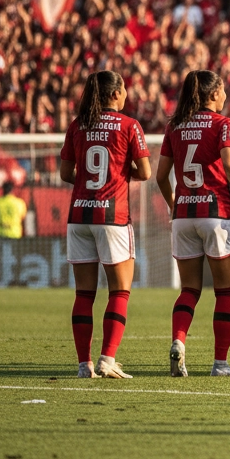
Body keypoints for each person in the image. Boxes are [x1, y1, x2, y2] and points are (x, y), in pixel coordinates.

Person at [156, 70, 230, 378]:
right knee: (224, 292)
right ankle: (220, 364)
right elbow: (229, 163)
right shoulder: (223, 124)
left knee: (189, 289)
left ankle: (178, 341)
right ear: (213, 94)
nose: (226, 95)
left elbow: (161, 176)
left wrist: (174, 205)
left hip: (183, 216)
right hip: (216, 214)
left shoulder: (174, 126)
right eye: (223, 90)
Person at [59, 71, 151, 379]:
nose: (126, 95)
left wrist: (90, 180)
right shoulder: (129, 125)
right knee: (119, 292)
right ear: (115, 94)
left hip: (79, 215)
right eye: (124, 89)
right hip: (112, 216)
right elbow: (145, 172)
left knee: (84, 294)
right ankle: (107, 359)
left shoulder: (78, 125)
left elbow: (66, 173)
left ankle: (83, 364)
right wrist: (119, 173)